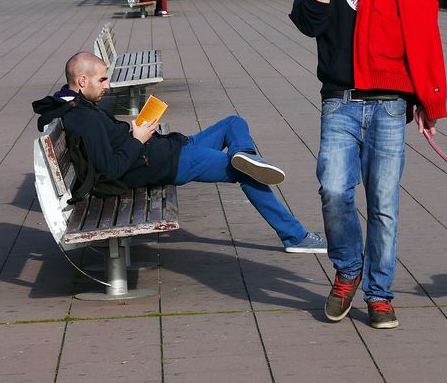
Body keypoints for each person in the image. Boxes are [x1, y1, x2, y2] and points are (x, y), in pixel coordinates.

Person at [290, 0, 447, 330]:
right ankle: (348, 269)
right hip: (339, 101)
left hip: (388, 105)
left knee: (383, 204)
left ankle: (379, 294)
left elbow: (422, 33)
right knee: (334, 190)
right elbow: (308, 23)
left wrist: (426, 100)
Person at [32, 52, 326, 253]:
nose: (108, 86)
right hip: (170, 162)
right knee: (244, 172)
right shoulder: (82, 117)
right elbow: (110, 169)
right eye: (103, 80)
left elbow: (112, 145)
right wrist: (136, 138)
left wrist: (136, 132)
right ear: (82, 81)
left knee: (233, 124)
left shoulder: (79, 105)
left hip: (170, 147)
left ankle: (245, 153)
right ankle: (295, 236)